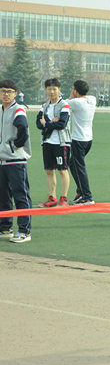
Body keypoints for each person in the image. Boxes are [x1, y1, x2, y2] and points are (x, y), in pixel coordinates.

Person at [0, 79, 33, 243]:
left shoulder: (18, 109)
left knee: (21, 195)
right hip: (2, 160)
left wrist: (16, 145)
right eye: (3, 91)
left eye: (9, 91)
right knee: (3, 196)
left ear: (15, 93)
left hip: (16, 160)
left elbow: (23, 126)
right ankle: (5, 227)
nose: (5, 94)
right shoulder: (1, 110)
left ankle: (24, 231)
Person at [35, 78, 71, 207]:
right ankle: (52, 197)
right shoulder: (44, 106)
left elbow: (62, 124)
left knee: (62, 170)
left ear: (59, 90)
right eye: (49, 89)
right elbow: (38, 123)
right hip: (47, 142)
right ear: (45, 90)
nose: (51, 92)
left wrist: (46, 123)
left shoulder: (64, 105)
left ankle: (64, 198)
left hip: (61, 142)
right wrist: (51, 122)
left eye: (54, 89)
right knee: (49, 170)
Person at [68, 80, 96, 205]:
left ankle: (87, 196)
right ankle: (81, 191)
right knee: (73, 164)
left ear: (75, 90)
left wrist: (72, 94)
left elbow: (65, 104)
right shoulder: (92, 99)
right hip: (88, 139)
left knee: (79, 167)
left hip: (78, 139)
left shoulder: (76, 102)